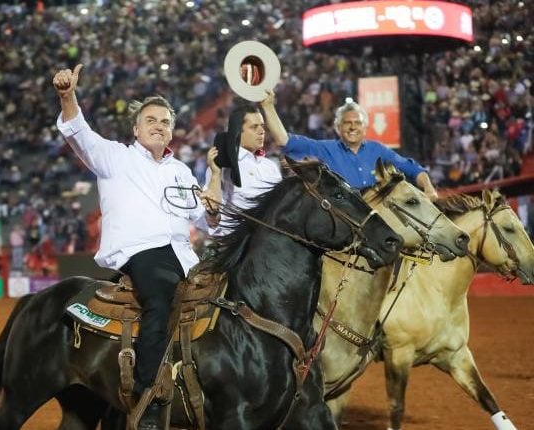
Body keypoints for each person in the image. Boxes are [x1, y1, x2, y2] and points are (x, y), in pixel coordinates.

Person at [53, 64, 221, 429]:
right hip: (141, 253)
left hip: (185, 256)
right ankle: (148, 399)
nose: (159, 125)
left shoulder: (181, 172)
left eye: (165, 121)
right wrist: (68, 96)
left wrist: (213, 195)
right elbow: (78, 132)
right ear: (136, 128)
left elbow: (206, 218)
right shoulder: (115, 157)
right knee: (160, 300)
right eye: (152, 120)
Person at [261, 91, 439, 200]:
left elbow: (412, 168)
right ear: (338, 127)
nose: (353, 127)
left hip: (378, 223)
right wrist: (268, 106)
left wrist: (429, 187)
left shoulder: (378, 150)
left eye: (357, 123)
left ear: (365, 127)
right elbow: (284, 141)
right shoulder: (325, 149)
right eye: (347, 123)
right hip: (342, 226)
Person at [206, 103, 282, 235]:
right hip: (238, 243)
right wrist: (215, 175)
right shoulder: (223, 165)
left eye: (262, 126)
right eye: (254, 127)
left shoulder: (271, 166)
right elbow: (213, 220)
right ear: (237, 132)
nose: (262, 131)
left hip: (271, 241)